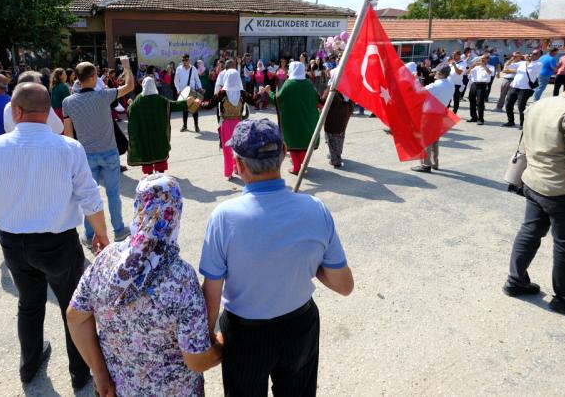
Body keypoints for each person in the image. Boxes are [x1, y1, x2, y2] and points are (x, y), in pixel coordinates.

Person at [0, 82, 109, 390]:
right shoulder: (68, 147)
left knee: (29, 304)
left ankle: (28, 366)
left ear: (15, 111)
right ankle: (79, 372)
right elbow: (90, 197)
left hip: (14, 242)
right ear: (49, 113)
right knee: (75, 307)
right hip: (59, 243)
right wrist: (102, 235)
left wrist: (2, 200)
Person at [199, 118, 353, 396]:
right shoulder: (315, 208)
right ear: (283, 153)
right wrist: (311, 262)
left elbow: (212, 291)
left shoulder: (224, 217)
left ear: (238, 164)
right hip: (300, 326)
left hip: (245, 333)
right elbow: (344, 285)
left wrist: (206, 338)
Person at [68, 174, 223, 397]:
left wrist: (99, 373)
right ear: (176, 213)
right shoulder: (181, 278)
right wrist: (222, 346)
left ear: (138, 208)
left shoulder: (105, 259)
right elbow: (196, 361)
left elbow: (75, 316)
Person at [503, 61, 565, 321]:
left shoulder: (541, 103)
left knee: (530, 231)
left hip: (534, 182)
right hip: (563, 191)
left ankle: (515, 280)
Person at [63, 58, 134, 246]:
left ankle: (89, 235)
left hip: (85, 155)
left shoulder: (68, 102)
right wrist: (126, 66)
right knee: (113, 194)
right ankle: (118, 230)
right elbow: (129, 85)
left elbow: (69, 134)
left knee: (87, 196)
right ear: (94, 77)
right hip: (109, 152)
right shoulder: (104, 95)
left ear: (76, 79)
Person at [126, 77, 196, 175]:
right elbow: (174, 105)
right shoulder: (160, 100)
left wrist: (130, 104)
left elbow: (130, 111)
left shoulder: (137, 101)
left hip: (144, 135)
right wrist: (187, 102)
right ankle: (161, 173)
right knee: (160, 150)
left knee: (146, 151)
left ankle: (149, 175)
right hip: (158, 134)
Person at [200, 69, 258, 179]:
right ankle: (238, 168)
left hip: (225, 123)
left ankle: (228, 172)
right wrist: (262, 92)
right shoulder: (242, 92)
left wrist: (199, 103)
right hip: (239, 123)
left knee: (227, 150)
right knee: (239, 148)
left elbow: (209, 105)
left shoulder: (222, 93)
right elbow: (253, 100)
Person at [275, 61, 320, 175]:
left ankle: (296, 167)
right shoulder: (309, 84)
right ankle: (302, 163)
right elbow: (317, 99)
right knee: (304, 142)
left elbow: (277, 100)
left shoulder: (288, 84)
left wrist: (268, 93)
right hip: (307, 119)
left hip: (292, 121)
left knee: (293, 142)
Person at [411, 65, 455, 173]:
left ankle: (426, 165)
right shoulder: (451, 84)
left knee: (426, 140)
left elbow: (418, 91)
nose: (434, 74)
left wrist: (415, 79)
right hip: (441, 113)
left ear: (440, 74)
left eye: (436, 72)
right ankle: (435, 163)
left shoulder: (435, 85)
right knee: (435, 140)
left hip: (429, 115)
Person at [503, 50, 543, 128]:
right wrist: (512, 58)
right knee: (508, 104)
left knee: (521, 106)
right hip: (515, 86)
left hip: (526, 89)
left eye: (535, 54)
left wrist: (527, 60)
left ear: (539, 56)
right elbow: (508, 67)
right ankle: (510, 121)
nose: (532, 55)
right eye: (531, 53)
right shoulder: (522, 63)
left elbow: (529, 69)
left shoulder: (538, 64)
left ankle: (523, 124)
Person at [321, 73, 354, 169]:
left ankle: (335, 160)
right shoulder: (347, 88)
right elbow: (352, 102)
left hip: (332, 119)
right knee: (340, 137)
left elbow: (322, 100)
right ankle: (337, 154)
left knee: (331, 139)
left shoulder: (331, 90)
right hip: (343, 118)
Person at [175, 54, 203, 132]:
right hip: (183, 92)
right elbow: (176, 81)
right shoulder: (179, 69)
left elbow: (197, 79)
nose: (185, 62)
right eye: (183, 60)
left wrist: (200, 88)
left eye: (186, 60)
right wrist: (178, 89)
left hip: (192, 91)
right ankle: (185, 126)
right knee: (185, 109)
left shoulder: (193, 68)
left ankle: (196, 126)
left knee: (194, 108)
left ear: (189, 60)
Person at [466, 54, 492, 125]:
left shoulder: (490, 66)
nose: (482, 60)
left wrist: (484, 66)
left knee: (480, 103)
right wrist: (472, 66)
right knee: (472, 101)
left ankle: (481, 119)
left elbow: (490, 73)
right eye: (481, 59)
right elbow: (467, 72)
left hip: (482, 85)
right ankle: (474, 117)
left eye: (484, 58)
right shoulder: (476, 67)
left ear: (487, 59)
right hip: (474, 84)